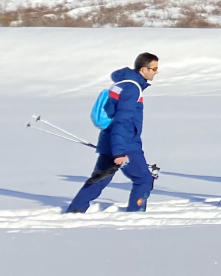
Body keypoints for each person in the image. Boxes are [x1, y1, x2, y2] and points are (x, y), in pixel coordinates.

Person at [66, 52, 158, 213]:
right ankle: (136, 215)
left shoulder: (121, 83)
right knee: (143, 179)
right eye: (154, 68)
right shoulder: (132, 89)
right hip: (125, 143)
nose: (156, 72)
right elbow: (122, 121)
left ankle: (75, 210)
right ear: (143, 70)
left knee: (100, 178)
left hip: (110, 139)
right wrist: (119, 152)